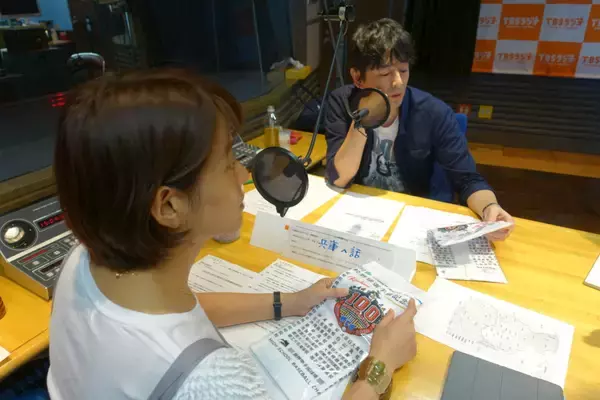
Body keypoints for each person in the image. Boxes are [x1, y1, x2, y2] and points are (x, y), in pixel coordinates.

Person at [48, 69, 418, 400]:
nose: (243, 174)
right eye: (227, 163)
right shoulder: (213, 381)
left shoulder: (82, 260)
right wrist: (378, 368)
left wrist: (290, 302)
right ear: (169, 206)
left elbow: (186, 311)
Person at [325, 18, 514, 241]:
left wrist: (490, 207)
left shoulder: (434, 113)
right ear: (358, 77)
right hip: (360, 217)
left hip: (413, 220)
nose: (398, 82)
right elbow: (339, 177)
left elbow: (468, 179)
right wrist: (363, 117)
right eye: (385, 73)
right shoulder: (342, 102)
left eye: (403, 70)